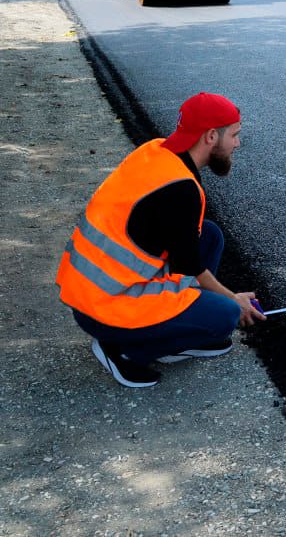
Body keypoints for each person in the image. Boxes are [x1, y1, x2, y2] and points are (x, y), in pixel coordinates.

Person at [56, 92, 266, 388]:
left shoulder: (157, 152)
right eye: (234, 135)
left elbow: (183, 252)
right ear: (210, 137)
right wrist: (234, 299)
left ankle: (177, 331)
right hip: (106, 308)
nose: (237, 144)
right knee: (227, 315)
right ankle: (124, 351)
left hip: (91, 294)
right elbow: (191, 267)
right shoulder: (181, 190)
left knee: (209, 236)